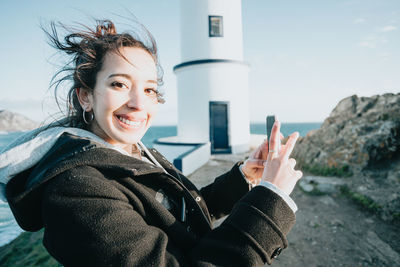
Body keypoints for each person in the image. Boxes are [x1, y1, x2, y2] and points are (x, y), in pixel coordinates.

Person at [0, 19, 302, 266]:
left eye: (149, 90)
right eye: (119, 84)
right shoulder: (77, 190)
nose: (138, 103)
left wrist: (244, 176)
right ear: (86, 96)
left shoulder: (130, 154)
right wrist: (271, 200)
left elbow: (176, 215)